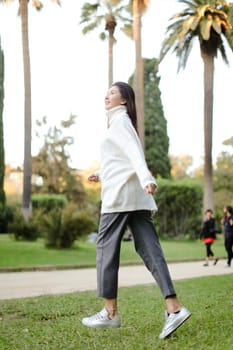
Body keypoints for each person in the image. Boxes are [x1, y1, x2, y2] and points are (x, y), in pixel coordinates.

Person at [81, 82, 191, 339]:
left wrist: (146, 177)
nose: (106, 95)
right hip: (136, 199)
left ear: (123, 100)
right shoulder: (121, 124)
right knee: (151, 250)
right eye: (106, 91)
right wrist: (101, 172)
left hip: (119, 199)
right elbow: (122, 159)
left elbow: (134, 154)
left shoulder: (120, 123)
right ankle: (174, 308)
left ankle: (110, 313)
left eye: (112, 92)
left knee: (105, 248)